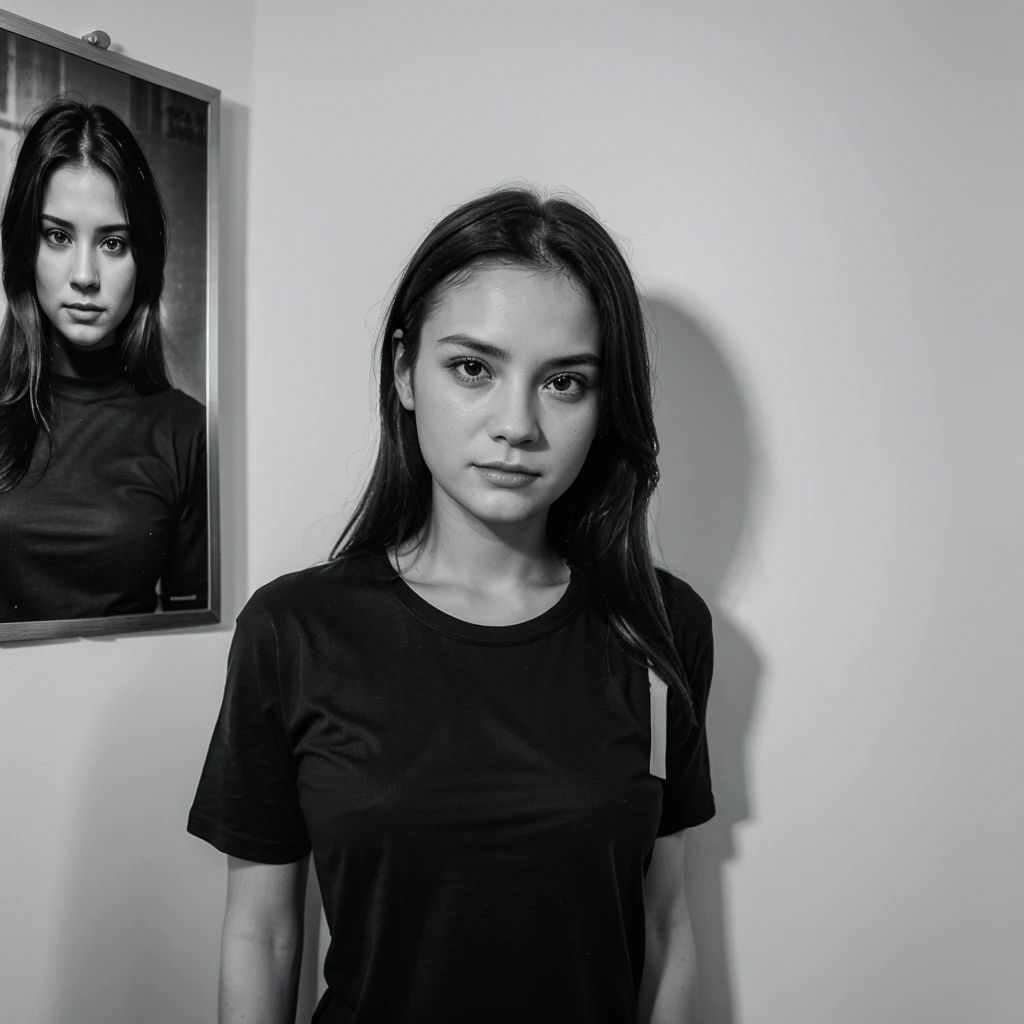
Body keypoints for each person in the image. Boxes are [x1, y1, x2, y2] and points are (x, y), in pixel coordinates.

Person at [187, 186, 715, 1023]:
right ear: (405, 371)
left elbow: (667, 921)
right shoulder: (293, 631)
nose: (516, 424)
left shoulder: (660, 626)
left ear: (604, 403)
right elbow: (263, 934)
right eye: (474, 368)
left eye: (565, 382)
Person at [0, 97, 208, 622]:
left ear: (144, 260)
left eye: (113, 242)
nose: (86, 275)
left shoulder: (186, 431)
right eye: (59, 236)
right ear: (28, 247)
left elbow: (193, 633)